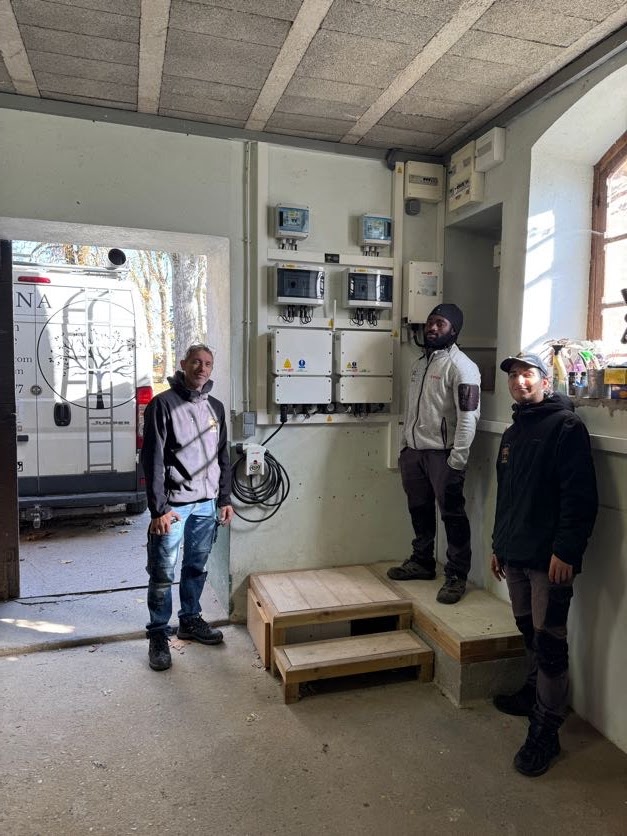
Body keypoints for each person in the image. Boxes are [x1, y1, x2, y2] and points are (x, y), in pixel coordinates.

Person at [491, 353, 597, 777]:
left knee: (550, 643)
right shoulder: (512, 432)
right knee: (527, 629)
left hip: (548, 559)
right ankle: (532, 693)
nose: (519, 381)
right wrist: (497, 544)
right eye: (514, 376)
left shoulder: (566, 427)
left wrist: (567, 551)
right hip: (514, 552)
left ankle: (546, 730)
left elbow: (580, 496)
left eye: (527, 374)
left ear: (545, 381)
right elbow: (506, 496)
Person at [141, 343, 234, 672]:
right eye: (196, 362)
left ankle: (190, 620)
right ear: (183, 364)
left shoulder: (216, 408)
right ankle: (158, 634)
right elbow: (151, 460)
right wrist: (158, 510)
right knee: (162, 573)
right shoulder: (162, 405)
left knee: (196, 566)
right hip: (174, 509)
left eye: (208, 363)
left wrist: (224, 499)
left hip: (207, 505)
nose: (202, 368)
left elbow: (222, 457)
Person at [387, 303, 481, 605]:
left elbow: (468, 417)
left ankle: (456, 575)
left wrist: (457, 459)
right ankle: (422, 561)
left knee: (452, 515)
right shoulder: (419, 364)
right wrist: (405, 447)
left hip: (444, 455)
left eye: (440, 323)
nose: (432, 327)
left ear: (454, 330)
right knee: (419, 508)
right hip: (414, 453)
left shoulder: (462, 367)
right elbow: (411, 410)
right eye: (430, 322)